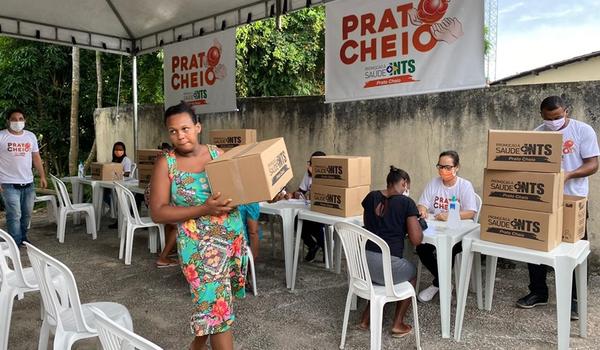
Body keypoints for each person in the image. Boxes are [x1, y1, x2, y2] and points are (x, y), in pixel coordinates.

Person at [149, 102, 247, 350]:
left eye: (185, 128)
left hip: (230, 242)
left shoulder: (216, 155)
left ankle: (196, 346)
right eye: (173, 131)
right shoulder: (166, 164)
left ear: (198, 127)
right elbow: (158, 212)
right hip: (199, 251)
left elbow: (237, 190)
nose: (180, 136)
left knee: (216, 308)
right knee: (218, 312)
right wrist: (205, 209)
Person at [517, 96, 599, 320]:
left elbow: (593, 163)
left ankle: (574, 300)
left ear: (566, 111)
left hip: (573, 198)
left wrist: (569, 175)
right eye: (549, 118)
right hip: (544, 199)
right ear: (542, 115)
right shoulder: (538, 133)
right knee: (536, 243)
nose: (554, 121)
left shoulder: (583, 131)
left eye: (558, 116)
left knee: (574, 249)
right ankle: (538, 292)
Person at [360, 166, 423, 337]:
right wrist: (416, 219)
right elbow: (416, 240)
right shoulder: (406, 203)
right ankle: (398, 323)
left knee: (383, 274)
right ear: (404, 183)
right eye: (406, 185)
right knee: (411, 273)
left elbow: (370, 226)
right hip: (384, 266)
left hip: (363, 264)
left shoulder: (371, 197)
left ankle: (365, 319)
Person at [415, 150, 478, 302]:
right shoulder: (434, 183)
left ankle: (438, 284)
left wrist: (450, 215)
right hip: (436, 230)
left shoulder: (464, 186)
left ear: (456, 167)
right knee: (421, 248)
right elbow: (422, 203)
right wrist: (422, 210)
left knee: (448, 249)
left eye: (448, 167)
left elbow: (470, 212)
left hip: (459, 232)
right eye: (440, 166)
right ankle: (444, 283)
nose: (443, 170)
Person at [0, 108, 47, 246]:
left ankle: (23, 237)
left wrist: (42, 176)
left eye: (20, 119)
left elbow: (36, 157)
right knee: (14, 215)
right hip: (8, 183)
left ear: (25, 121)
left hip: (28, 183)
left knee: (27, 214)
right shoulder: (2, 136)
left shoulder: (30, 136)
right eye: (14, 119)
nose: (17, 122)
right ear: (8, 121)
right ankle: (15, 242)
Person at [288, 151, 326, 262]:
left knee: (315, 224)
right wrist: (292, 194)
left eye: (312, 163)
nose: (309, 165)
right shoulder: (308, 174)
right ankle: (313, 245)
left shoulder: (326, 176)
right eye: (310, 162)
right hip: (309, 208)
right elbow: (301, 191)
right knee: (295, 221)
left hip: (322, 210)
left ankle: (325, 248)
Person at [106, 142, 133, 229]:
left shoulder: (126, 160)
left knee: (116, 196)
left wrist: (120, 173)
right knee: (104, 193)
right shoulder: (114, 160)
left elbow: (128, 174)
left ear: (124, 151)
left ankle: (120, 217)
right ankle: (115, 211)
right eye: (116, 149)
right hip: (114, 184)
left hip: (124, 185)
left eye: (120, 149)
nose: (118, 151)